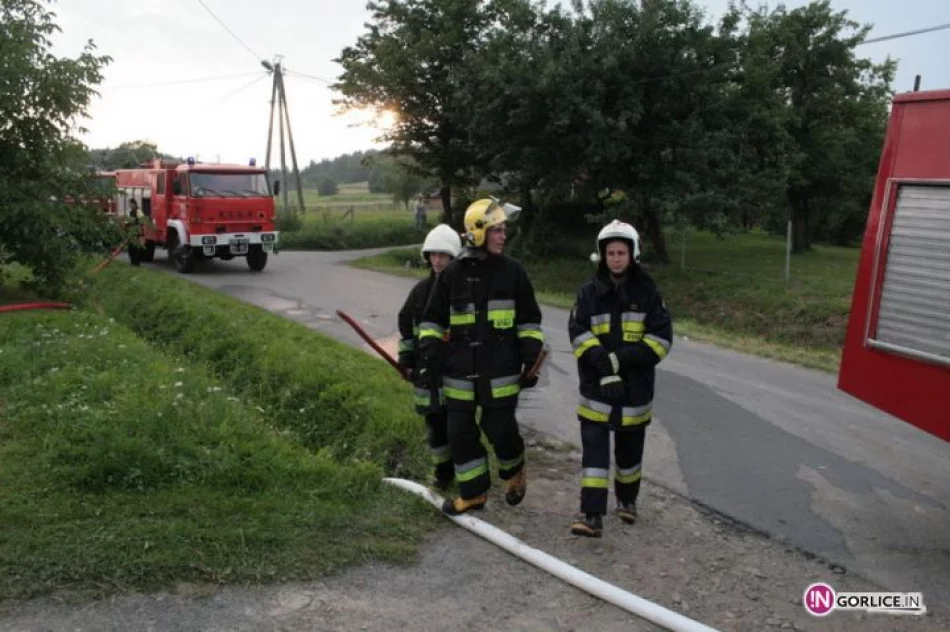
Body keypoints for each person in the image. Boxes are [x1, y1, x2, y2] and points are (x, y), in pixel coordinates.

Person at [417, 198, 545, 516]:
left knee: (499, 429)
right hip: (458, 373)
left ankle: (514, 470)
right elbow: (432, 320)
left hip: (499, 372)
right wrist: (429, 356)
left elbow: (529, 320)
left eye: (503, 229)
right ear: (478, 233)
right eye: (497, 230)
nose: (503, 235)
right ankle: (473, 494)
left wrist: (530, 355)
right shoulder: (452, 274)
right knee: (459, 434)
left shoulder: (513, 273)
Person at [567, 219, 673, 537]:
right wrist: (603, 364)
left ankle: (627, 501)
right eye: (610, 253)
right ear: (602, 255)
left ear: (633, 254)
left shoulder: (648, 293)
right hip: (596, 388)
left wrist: (620, 360)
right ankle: (591, 515)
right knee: (594, 454)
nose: (615, 258)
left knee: (629, 453)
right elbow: (578, 333)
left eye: (621, 253)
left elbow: (661, 340)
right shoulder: (588, 293)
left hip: (634, 391)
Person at [396, 223, 463, 490]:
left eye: (443, 255)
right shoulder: (420, 292)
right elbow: (406, 327)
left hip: (456, 373)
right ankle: (443, 475)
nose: (437, 260)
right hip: (427, 375)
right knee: (435, 427)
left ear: (453, 257)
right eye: (433, 254)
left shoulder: (463, 292)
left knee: (459, 427)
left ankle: (468, 477)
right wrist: (406, 361)